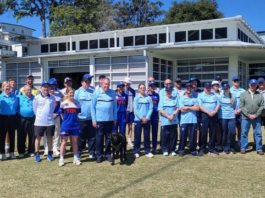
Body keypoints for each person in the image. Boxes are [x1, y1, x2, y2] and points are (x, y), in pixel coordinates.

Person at [91, 78, 117, 163]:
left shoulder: (112, 93)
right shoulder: (96, 93)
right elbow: (93, 107)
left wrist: (114, 118)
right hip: (99, 120)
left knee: (109, 139)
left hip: (109, 120)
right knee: (99, 139)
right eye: (105, 84)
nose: (106, 86)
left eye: (108, 84)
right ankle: (99, 155)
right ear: (101, 84)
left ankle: (108, 155)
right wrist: (94, 120)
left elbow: (114, 107)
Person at [33, 81, 56, 162]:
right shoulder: (37, 98)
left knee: (50, 138)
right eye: (44, 87)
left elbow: (52, 108)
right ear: (41, 88)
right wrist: (40, 116)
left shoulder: (53, 98)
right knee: (38, 138)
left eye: (47, 87)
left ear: (49, 88)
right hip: (39, 122)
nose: (46, 88)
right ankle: (37, 154)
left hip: (50, 122)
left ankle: (49, 153)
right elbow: (35, 109)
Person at [74, 74, 96, 158]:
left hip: (91, 118)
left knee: (92, 136)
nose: (88, 84)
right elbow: (74, 105)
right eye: (86, 82)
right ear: (82, 82)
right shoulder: (77, 92)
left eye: (89, 82)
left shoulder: (93, 91)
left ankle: (91, 152)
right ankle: (79, 152)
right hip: (81, 118)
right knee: (81, 137)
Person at [240, 79, 264, 155]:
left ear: (256, 85)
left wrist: (256, 115)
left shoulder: (259, 94)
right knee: (244, 133)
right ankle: (243, 148)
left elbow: (262, 106)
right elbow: (242, 106)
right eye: (252, 85)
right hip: (246, 117)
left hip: (256, 118)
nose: (253, 86)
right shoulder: (244, 94)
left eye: (254, 85)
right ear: (249, 85)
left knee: (258, 133)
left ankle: (259, 148)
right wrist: (249, 115)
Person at [59, 87, 82, 166]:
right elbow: (61, 115)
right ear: (67, 93)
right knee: (64, 142)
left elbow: (77, 113)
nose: (71, 94)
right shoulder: (63, 103)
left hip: (75, 125)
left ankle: (76, 158)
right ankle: (61, 159)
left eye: (73, 93)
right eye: (70, 93)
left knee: (75, 142)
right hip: (66, 125)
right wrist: (66, 121)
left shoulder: (77, 103)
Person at [198, 82, 220, 156]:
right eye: (207, 87)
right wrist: (207, 112)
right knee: (203, 132)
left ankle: (212, 148)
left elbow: (218, 104)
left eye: (209, 87)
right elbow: (200, 106)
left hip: (213, 115)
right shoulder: (200, 95)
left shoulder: (214, 95)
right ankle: (202, 148)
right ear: (204, 88)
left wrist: (215, 111)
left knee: (212, 132)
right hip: (204, 115)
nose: (208, 89)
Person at [178, 83, 199, 156]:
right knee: (183, 136)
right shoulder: (181, 99)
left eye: (190, 88)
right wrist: (192, 107)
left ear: (192, 89)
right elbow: (182, 109)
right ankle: (181, 150)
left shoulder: (194, 98)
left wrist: (188, 107)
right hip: (184, 120)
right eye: (187, 88)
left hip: (193, 120)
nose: (189, 89)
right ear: (185, 89)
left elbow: (197, 108)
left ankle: (193, 150)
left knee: (193, 136)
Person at [133, 83, 153, 158]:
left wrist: (147, 118)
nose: (142, 89)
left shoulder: (149, 98)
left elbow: (151, 108)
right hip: (138, 120)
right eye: (141, 88)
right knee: (137, 136)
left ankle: (147, 151)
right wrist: (142, 118)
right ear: (138, 89)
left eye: (144, 88)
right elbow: (135, 109)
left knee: (146, 136)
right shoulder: (136, 98)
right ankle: (136, 151)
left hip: (147, 120)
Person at [43, 79, 62, 156]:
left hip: (56, 117)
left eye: (53, 86)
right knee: (46, 133)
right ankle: (46, 149)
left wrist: (56, 114)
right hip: (47, 118)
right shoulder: (45, 96)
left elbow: (61, 107)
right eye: (50, 86)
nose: (52, 88)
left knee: (56, 132)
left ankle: (55, 148)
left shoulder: (58, 96)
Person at [158, 85, 179, 156]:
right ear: (165, 91)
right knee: (165, 136)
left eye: (170, 90)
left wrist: (172, 115)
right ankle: (165, 150)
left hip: (173, 120)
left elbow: (177, 108)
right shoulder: (162, 99)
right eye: (168, 90)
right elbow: (161, 110)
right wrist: (168, 116)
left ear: (172, 91)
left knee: (173, 136)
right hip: (165, 121)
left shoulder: (175, 99)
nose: (169, 92)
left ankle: (172, 150)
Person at [0, 81, 18, 160]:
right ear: (3, 87)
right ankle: (2, 153)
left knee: (12, 135)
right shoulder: (0, 96)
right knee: (2, 136)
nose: (7, 88)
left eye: (8, 86)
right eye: (6, 86)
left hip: (12, 117)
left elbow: (16, 107)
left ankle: (11, 152)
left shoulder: (14, 97)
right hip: (3, 117)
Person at [17, 85, 35, 158]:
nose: (28, 91)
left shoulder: (35, 98)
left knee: (32, 135)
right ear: (24, 91)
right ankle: (21, 151)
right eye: (27, 90)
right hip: (22, 118)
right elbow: (16, 107)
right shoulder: (20, 98)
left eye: (30, 90)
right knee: (21, 135)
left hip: (32, 118)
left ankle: (31, 151)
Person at [218, 84, 237, 154]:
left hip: (231, 116)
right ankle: (225, 147)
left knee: (232, 132)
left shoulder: (233, 96)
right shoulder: (220, 97)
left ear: (229, 89)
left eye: (227, 88)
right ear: (223, 89)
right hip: (223, 117)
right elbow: (218, 106)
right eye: (224, 88)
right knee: (224, 132)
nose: (225, 89)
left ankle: (232, 147)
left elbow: (234, 106)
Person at [5, 78, 20, 153]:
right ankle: (7, 145)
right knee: (7, 130)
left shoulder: (18, 92)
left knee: (16, 131)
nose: (13, 84)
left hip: (17, 114)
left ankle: (21, 145)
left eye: (14, 82)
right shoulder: (6, 92)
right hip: (9, 114)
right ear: (9, 84)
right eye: (11, 82)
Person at [230, 76, 245, 148]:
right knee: (231, 129)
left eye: (237, 81)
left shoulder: (243, 91)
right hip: (231, 113)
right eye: (235, 81)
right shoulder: (229, 90)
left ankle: (239, 141)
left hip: (241, 112)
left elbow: (245, 102)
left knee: (240, 128)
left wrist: (239, 110)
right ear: (232, 82)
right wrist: (233, 111)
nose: (236, 82)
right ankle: (231, 142)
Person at [147, 81, 159, 154]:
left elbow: (159, 104)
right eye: (151, 86)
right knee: (147, 132)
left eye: (153, 86)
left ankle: (154, 147)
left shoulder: (157, 95)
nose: (152, 87)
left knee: (155, 131)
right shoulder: (146, 95)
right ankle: (148, 148)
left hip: (155, 114)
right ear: (148, 87)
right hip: (148, 114)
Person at [189, 77, 203, 145]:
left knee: (198, 127)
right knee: (189, 127)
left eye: (195, 82)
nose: (193, 83)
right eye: (192, 82)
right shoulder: (188, 92)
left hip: (199, 112)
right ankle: (190, 141)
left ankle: (197, 141)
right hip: (190, 112)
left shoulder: (201, 92)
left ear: (197, 83)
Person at [123, 77, 135, 147]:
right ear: (124, 83)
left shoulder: (132, 91)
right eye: (127, 83)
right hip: (124, 112)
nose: (128, 85)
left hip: (130, 111)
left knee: (130, 127)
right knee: (123, 127)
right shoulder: (121, 90)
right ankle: (123, 140)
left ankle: (129, 140)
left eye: (129, 83)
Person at [211, 80, 222, 151]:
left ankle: (218, 143)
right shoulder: (211, 93)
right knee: (212, 129)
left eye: (217, 85)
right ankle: (213, 143)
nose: (216, 86)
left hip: (221, 113)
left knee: (219, 129)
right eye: (214, 85)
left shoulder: (222, 93)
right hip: (213, 113)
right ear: (212, 86)